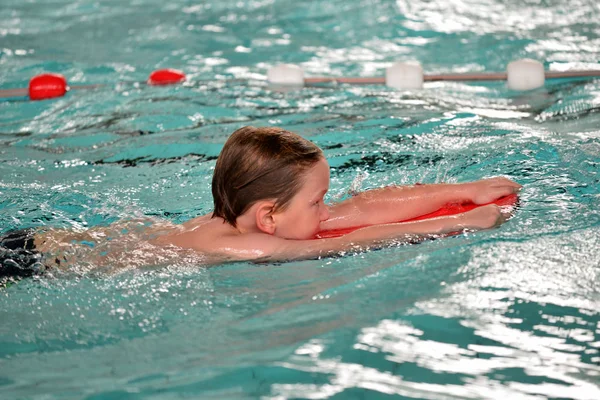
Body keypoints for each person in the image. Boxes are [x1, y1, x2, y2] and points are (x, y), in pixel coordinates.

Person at [1, 126, 521, 283]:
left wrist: (467, 190)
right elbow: (358, 239)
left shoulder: (258, 217)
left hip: (47, 241)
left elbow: (360, 209)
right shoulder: (249, 248)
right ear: (269, 216)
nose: (327, 210)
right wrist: (459, 225)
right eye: (317, 201)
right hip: (32, 263)